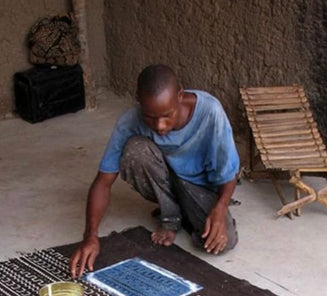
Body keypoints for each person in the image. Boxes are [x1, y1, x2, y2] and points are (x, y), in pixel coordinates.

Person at [69, 64, 240, 278]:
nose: (159, 126)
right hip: (165, 178)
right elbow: (103, 182)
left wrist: (220, 208)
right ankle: (171, 215)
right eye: (150, 117)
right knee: (135, 152)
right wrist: (90, 236)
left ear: (180, 96)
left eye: (167, 115)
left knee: (224, 243)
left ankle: (177, 211)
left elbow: (228, 175)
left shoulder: (210, 112)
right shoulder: (129, 120)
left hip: (200, 187)